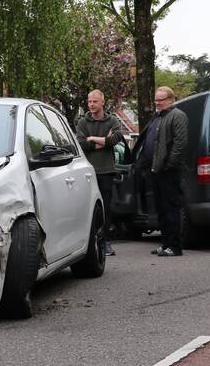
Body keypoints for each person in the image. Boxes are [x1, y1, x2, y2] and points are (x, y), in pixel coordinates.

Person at [135, 86, 188, 257]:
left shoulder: (177, 116)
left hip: (168, 170)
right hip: (156, 169)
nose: (157, 102)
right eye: (156, 99)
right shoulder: (158, 116)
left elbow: (179, 143)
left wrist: (168, 164)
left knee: (171, 208)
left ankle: (174, 246)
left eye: (161, 99)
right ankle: (165, 244)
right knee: (161, 209)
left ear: (171, 100)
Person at [75, 90, 125, 256]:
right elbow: (82, 144)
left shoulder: (112, 120)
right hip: (87, 172)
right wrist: (104, 141)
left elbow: (116, 138)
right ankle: (88, 242)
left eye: (95, 101)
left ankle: (105, 241)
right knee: (88, 207)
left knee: (105, 208)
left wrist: (93, 139)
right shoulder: (83, 122)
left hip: (106, 171)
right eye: (89, 101)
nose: (91, 104)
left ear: (102, 102)